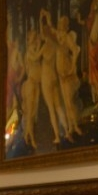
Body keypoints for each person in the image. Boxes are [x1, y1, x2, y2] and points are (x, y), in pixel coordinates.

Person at [38, 9, 68, 145]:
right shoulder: (55, 45)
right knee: (59, 107)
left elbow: (34, 57)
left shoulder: (45, 47)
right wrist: (44, 20)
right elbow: (47, 32)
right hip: (54, 77)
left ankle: (57, 136)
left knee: (51, 109)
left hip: (46, 78)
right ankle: (66, 131)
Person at [53, 14, 83, 141]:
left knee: (69, 101)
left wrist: (72, 66)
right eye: (59, 23)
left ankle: (75, 126)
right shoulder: (58, 35)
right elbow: (51, 29)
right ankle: (71, 127)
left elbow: (75, 50)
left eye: (62, 23)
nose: (60, 25)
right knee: (66, 102)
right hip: (61, 73)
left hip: (66, 70)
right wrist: (47, 18)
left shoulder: (67, 37)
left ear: (66, 26)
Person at [20, 28, 42, 150]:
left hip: (36, 84)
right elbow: (36, 56)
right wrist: (40, 46)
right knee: (29, 113)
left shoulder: (33, 50)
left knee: (33, 113)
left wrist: (38, 45)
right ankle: (31, 138)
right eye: (33, 39)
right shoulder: (29, 52)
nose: (35, 41)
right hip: (30, 84)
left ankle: (27, 134)